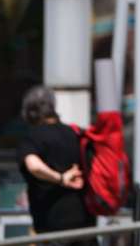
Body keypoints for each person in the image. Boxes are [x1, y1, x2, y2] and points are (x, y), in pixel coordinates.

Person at [16, 86, 95, 244]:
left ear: (30, 112)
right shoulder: (75, 133)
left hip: (53, 230)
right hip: (86, 225)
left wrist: (60, 179)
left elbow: (34, 165)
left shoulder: (33, 137)